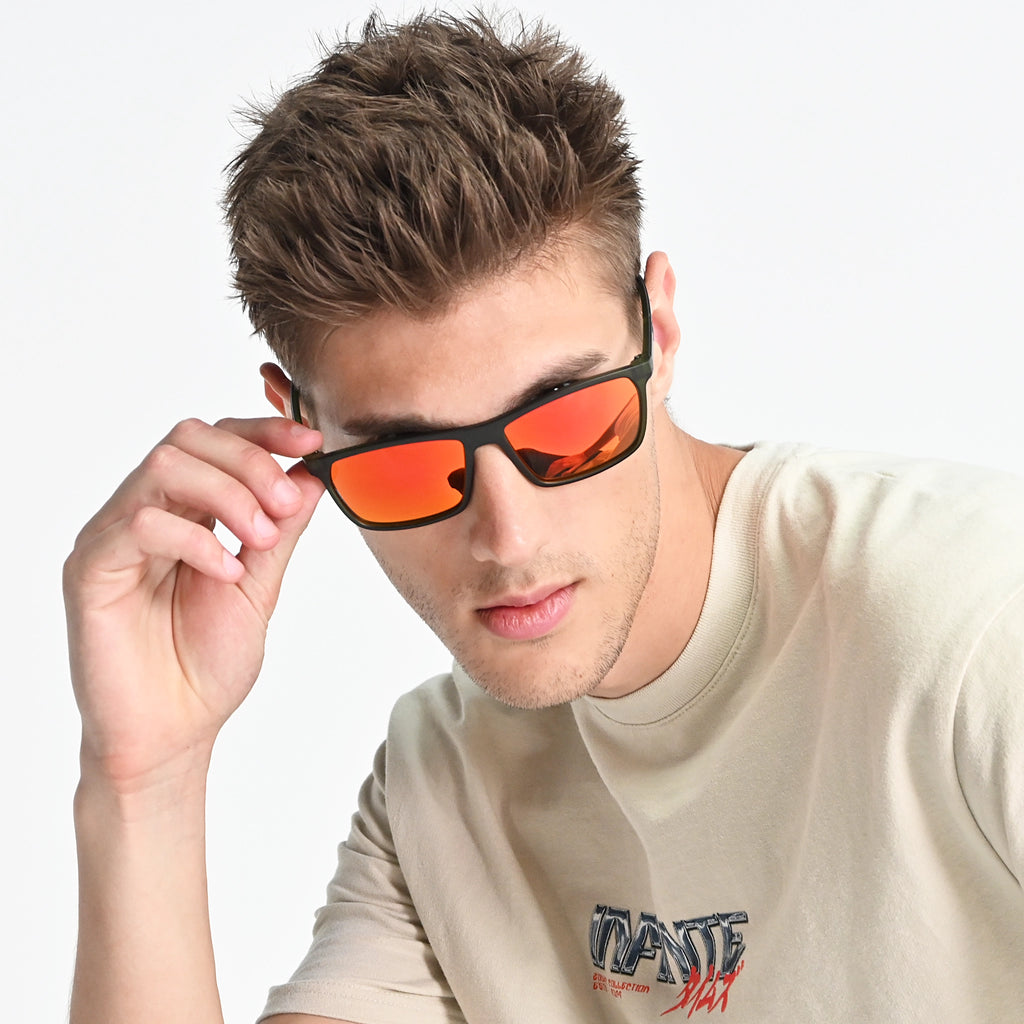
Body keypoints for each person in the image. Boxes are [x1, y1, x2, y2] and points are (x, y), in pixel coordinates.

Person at [64, 11, 1023, 1024]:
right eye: (409, 463)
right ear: (299, 427)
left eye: (566, 422)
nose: (508, 537)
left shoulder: (977, 630)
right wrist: (143, 783)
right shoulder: (443, 787)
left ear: (654, 330)